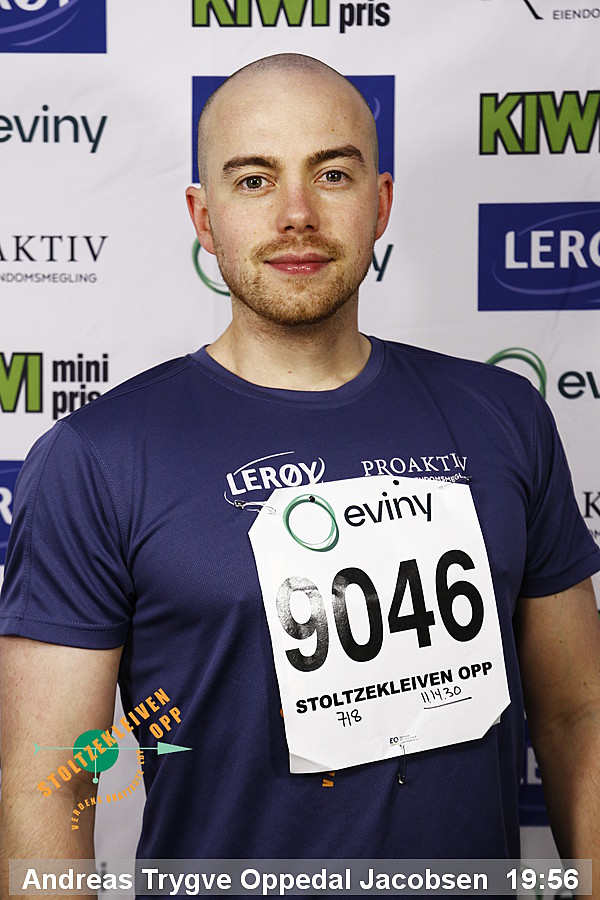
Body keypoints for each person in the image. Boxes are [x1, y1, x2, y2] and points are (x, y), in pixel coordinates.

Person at [1, 52, 600, 896]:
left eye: (332, 174)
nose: (296, 215)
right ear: (204, 218)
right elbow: (49, 782)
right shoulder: (98, 458)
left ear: (380, 203)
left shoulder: (505, 416)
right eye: (254, 180)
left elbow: (578, 717)